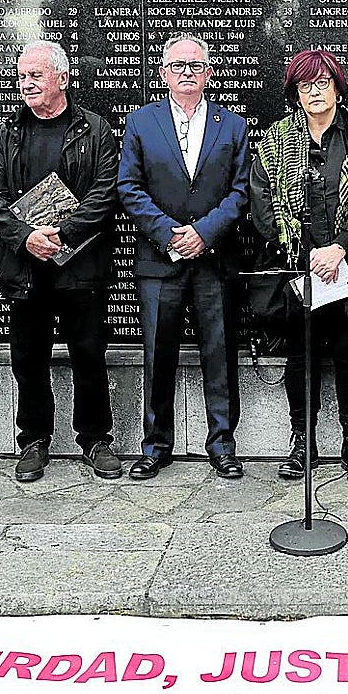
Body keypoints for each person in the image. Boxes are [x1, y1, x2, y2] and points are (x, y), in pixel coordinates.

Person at [0, 40, 121, 483]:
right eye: (22, 75)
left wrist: (63, 234)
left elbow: (105, 194)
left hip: (81, 265)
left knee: (89, 355)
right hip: (27, 268)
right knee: (28, 358)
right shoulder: (7, 133)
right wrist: (27, 238)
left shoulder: (95, 130)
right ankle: (34, 440)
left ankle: (95, 439)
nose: (25, 83)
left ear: (62, 78)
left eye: (35, 75)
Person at [250, 49, 348, 485]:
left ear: (337, 88)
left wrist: (340, 247)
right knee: (300, 357)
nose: (314, 92)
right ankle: (302, 441)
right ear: (295, 93)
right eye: (305, 85)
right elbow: (262, 204)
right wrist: (305, 252)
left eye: (322, 83)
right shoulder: (275, 141)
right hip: (298, 268)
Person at [117, 34, 250, 480]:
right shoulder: (141, 123)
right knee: (158, 356)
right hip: (160, 262)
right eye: (178, 65)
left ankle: (222, 445)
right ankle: (156, 445)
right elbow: (129, 188)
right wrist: (170, 235)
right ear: (163, 73)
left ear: (209, 73)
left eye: (195, 65)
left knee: (220, 353)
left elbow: (240, 192)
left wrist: (203, 233)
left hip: (214, 260)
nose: (187, 72)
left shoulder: (233, 126)